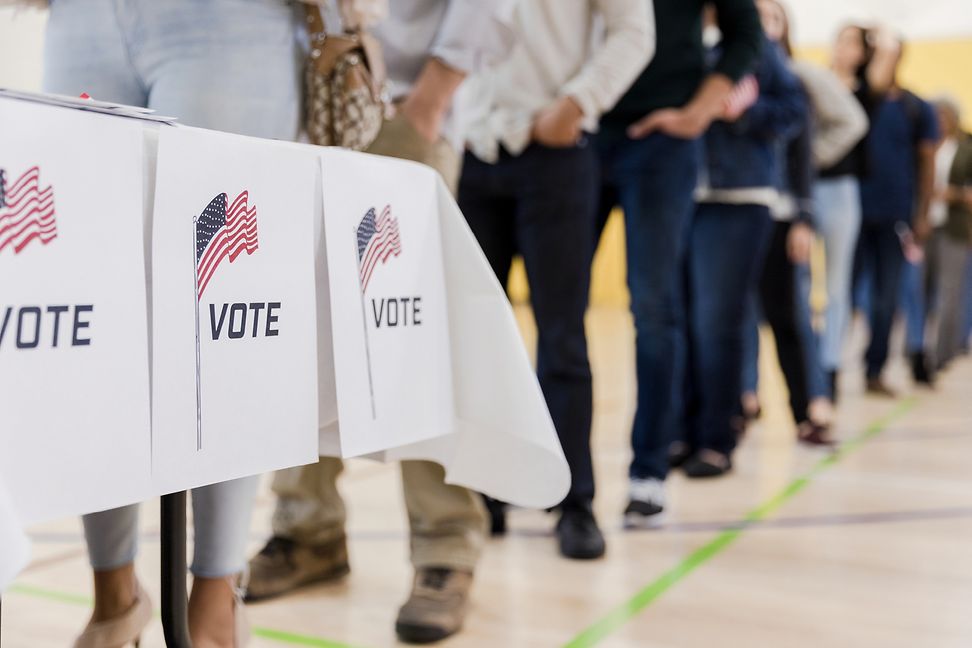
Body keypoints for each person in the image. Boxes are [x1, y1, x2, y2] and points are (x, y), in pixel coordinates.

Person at [245, 2, 515, 643]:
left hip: (395, 105)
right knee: (303, 335)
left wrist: (431, 96)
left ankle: (446, 544)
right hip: (294, 112)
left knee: (410, 338)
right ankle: (306, 529)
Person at [38, 0, 304, 645]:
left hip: (230, 19)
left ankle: (215, 597)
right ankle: (114, 599)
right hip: (84, 16)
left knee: (223, 305)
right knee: (89, 309)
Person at [457, 0, 655, 559]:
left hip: (556, 154)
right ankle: (485, 493)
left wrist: (578, 102)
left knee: (563, 337)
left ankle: (574, 502)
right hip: (473, 153)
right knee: (478, 342)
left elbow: (634, 32)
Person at [594, 0, 762, 526]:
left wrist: (698, 111)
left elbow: (746, 35)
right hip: (581, 129)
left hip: (663, 143)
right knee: (559, 311)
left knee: (656, 309)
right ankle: (561, 478)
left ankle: (648, 470)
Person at [674, 12, 807, 478]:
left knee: (716, 321)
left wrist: (743, 112)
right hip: (678, 191)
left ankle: (715, 438)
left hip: (739, 196)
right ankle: (682, 431)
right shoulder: (677, 33)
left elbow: (793, 111)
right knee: (681, 319)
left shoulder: (753, 43)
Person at [741, 0, 868, 446]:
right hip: (735, 208)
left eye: (772, 18)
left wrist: (802, 217)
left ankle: (810, 404)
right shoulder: (725, 73)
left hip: (780, 212)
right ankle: (741, 400)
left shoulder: (794, 81)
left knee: (790, 312)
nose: (764, 26)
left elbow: (803, 156)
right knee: (736, 315)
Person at [816, 24, 898, 400]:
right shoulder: (813, 81)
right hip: (804, 189)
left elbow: (882, 69)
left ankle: (830, 365)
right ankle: (809, 362)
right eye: (840, 39)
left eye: (852, 42)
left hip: (841, 189)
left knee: (838, 285)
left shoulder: (864, 94)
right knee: (797, 283)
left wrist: (882, 42)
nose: (843, 47)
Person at [854, 36, 939, 397]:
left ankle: (875, 368)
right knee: (847, 295)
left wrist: (921, 213)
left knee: (888, 296)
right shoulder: (856, 100)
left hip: (895, 214)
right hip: (852, 209)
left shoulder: (915, 107)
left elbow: (928, 162)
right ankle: (825, 374)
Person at [927, 97, 972, 371]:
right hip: (926, 226)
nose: (939, 121)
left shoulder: (966, 149)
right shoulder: (926, 144)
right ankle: (918, 351)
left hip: (954, 228)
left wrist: (951, 195)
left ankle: (942, 353)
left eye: (944, 116)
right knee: (919, 292)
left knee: (949, 293)